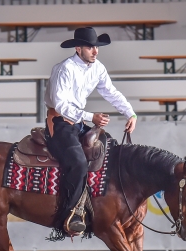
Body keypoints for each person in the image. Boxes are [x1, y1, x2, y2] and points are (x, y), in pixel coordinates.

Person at [44, 26, 137, 235]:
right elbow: (61, 105)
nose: (95, 51)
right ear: (78, 48)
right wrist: (90, 117)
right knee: (77, 162)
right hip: (60, 122)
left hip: (77, 122)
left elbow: (111, 92)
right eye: (90, 47)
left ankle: (103, 205)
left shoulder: (98, 67)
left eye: (96, 47)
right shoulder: (65, 69)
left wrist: (130, 113)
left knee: (108, 148)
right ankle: (70, 214)